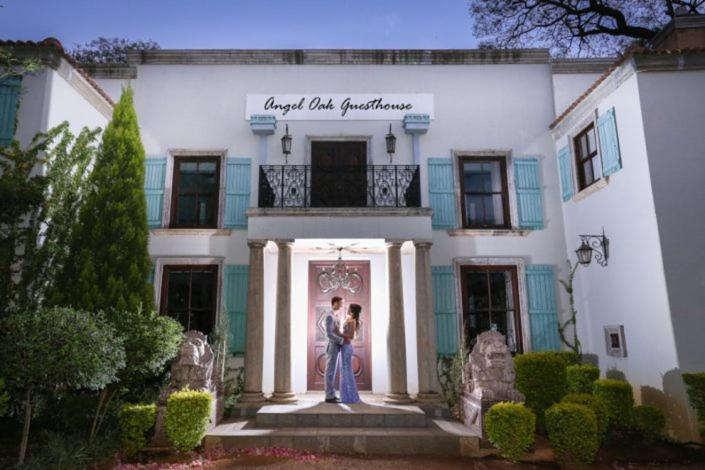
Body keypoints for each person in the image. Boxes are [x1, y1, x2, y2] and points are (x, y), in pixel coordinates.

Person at [324, 296, 345, 403]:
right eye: (341, 303)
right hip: (332, 346)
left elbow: (336, 331)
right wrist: (342, 340)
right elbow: (329, 334)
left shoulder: (335, 316)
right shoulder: (329, 316)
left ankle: (332, 393)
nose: (342, 305)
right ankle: (329, 396)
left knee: (332, 371)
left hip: (336, 346)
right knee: (330, 372)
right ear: (335, 303)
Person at [339, 303, 362, 404]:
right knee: (344, 370)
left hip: (347, 347)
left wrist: (338, 333)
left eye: (349, 308)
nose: (348, 310)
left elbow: (351, 336)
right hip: (345, 347)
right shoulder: (350, 319)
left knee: (347, 371)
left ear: (352, 311)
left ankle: (351, 397)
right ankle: (345, 396)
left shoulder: (352, 321)